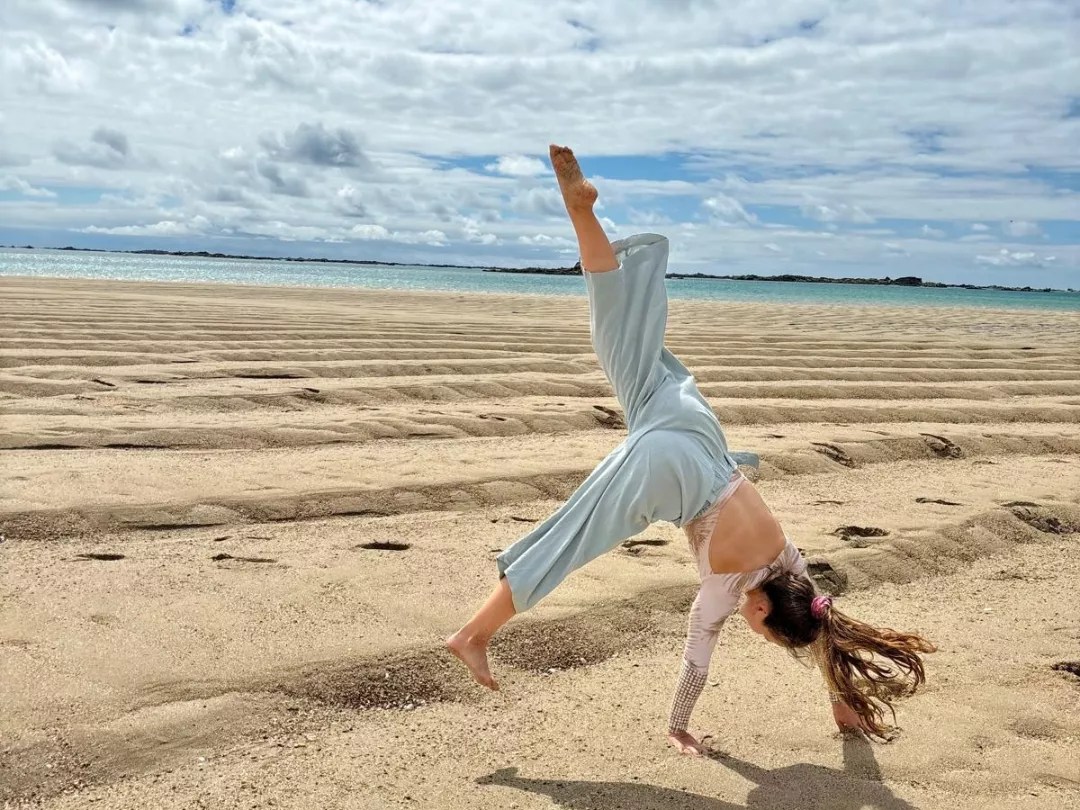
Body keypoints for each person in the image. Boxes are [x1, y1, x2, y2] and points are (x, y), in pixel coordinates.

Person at [447, 145, 934, 755]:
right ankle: (473, 634)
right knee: (573, 538)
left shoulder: (793, 567)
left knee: (618, 333)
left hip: (698, 430)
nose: (756, 633)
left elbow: (821, 628)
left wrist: (841, 697)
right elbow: (696, 663)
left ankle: (581, 213)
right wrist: (678, 727)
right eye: (764, 634)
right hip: (672, 471)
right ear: (762, 613)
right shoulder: (725, 595)